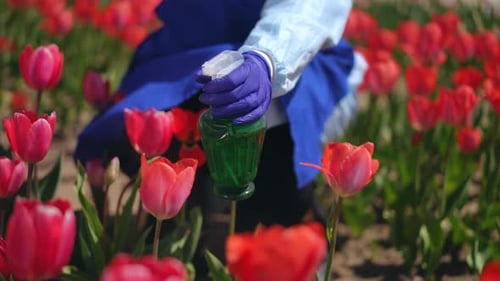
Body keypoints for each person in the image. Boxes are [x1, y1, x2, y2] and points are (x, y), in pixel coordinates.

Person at [74, 0, 367, 232]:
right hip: (188, 52)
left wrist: (266, 59)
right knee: (150, 116)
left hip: (294, 57)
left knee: (257, 114)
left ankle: (284, 208)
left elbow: (306, 11)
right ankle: (184, 207)